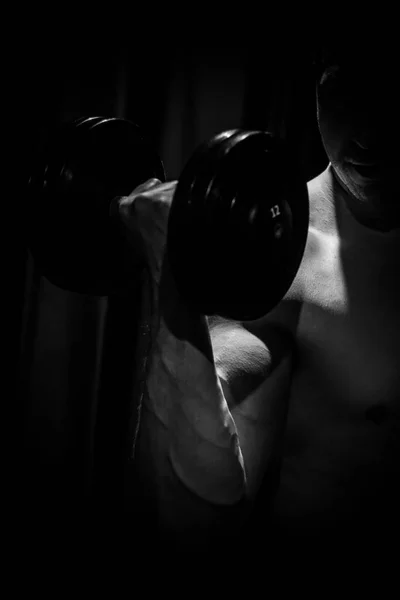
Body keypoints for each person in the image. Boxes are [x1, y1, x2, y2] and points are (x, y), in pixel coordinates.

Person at [112, 39, 400, 555]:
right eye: (344, 89)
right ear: (315, 83)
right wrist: (174, 297)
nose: (368, 130)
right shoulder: (281, 258)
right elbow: (194, 522)